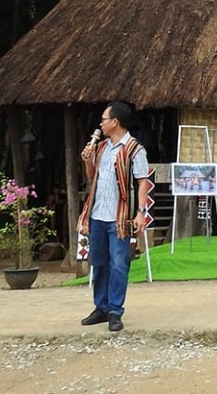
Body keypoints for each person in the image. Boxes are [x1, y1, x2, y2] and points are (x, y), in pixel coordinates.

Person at [78, 101, 152, 333]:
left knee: (119, 264)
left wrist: (141, 213)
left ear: (115, 122)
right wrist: (87, 160)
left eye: (104, 119)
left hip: (120, 217)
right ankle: (101, 307)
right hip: (98, 213)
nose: (100, 124)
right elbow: (92, 177)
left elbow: (142, 182)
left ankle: (115, 311)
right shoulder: (101, 148)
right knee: (99, 263)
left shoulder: (134, 149)